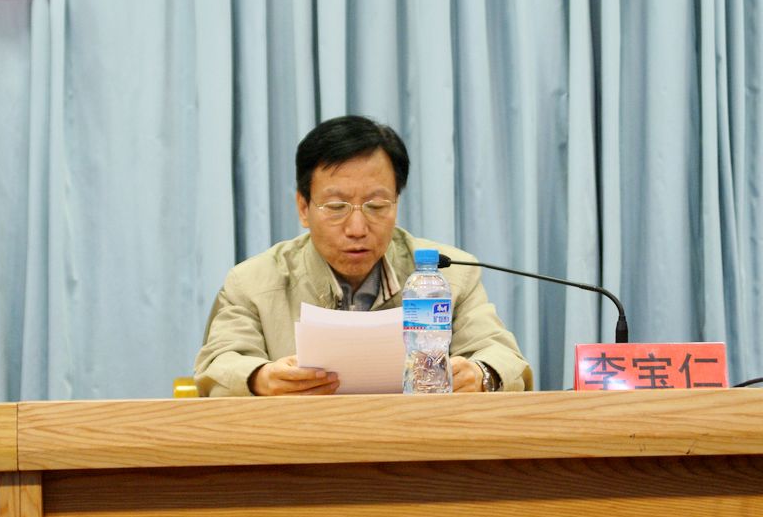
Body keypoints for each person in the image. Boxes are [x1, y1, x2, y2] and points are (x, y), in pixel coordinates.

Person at [194, 115, 533, 396]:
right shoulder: (253, 282)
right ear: (303, 207)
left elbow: (504, 358)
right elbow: (218, 365)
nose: (357, 228)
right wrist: (260, 378)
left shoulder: (450, 274)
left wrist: (481, 374)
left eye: (376, 205)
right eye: (336, 206)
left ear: (396, 203)